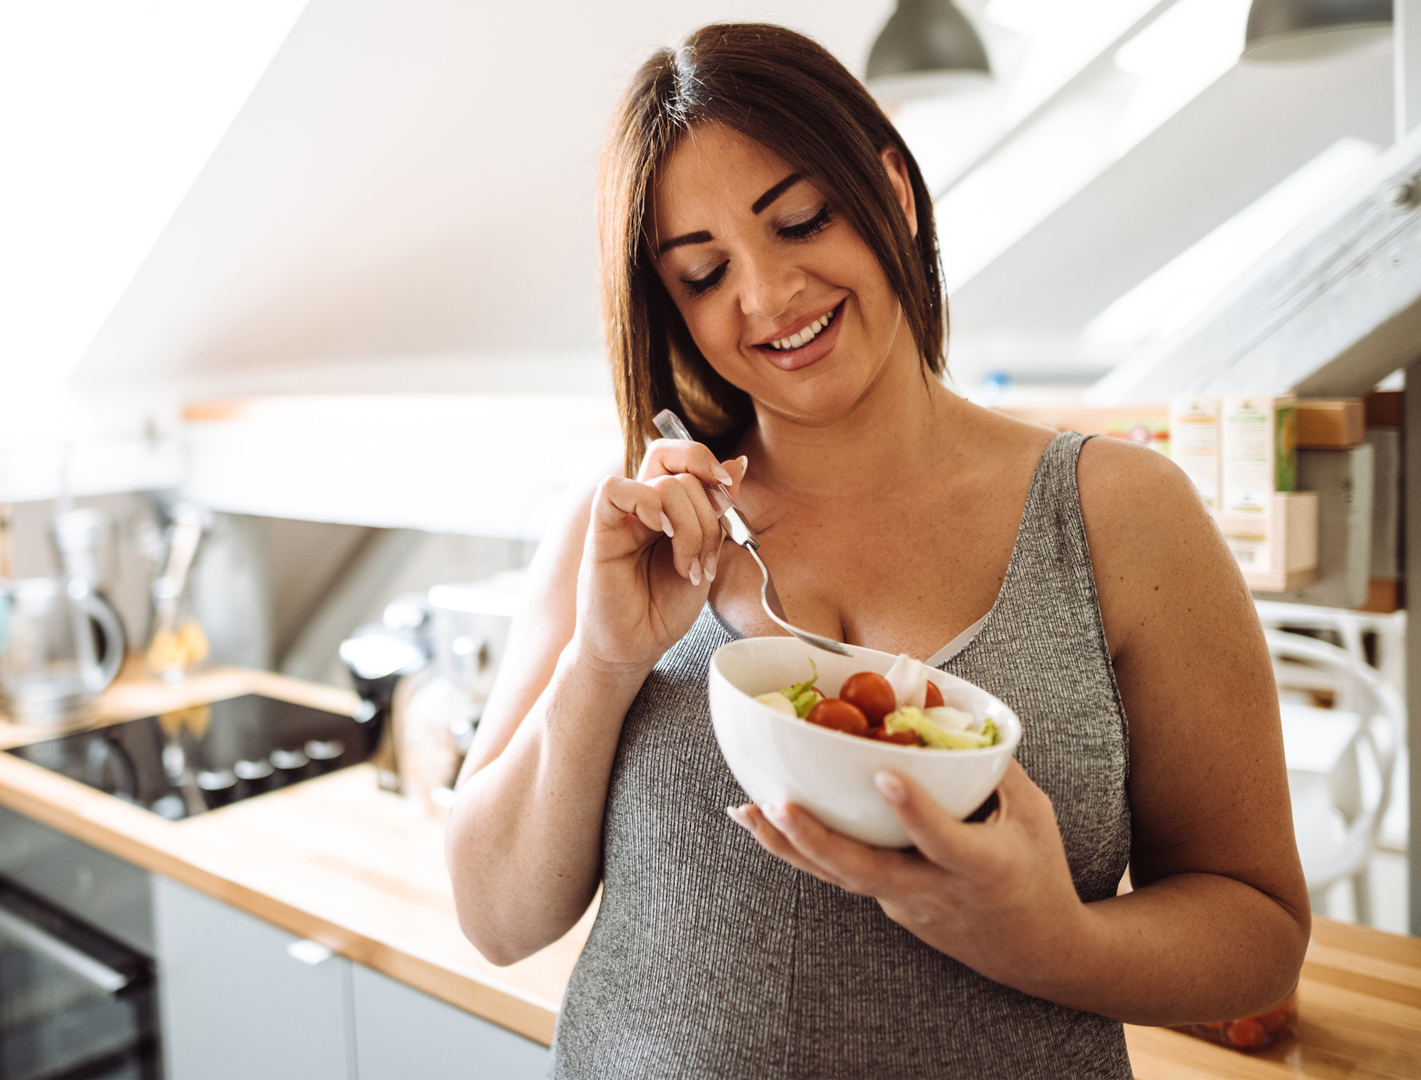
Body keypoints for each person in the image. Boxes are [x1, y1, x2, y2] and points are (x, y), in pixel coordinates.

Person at [444, 22, 1308, 1079]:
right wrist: (605, 662)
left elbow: (1259, 936)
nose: (765, 298)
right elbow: (494, 918)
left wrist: (1054, 944)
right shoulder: (626, 528)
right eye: (704, 274)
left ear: (891, 191)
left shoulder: (1121, 514)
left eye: (800, 220)